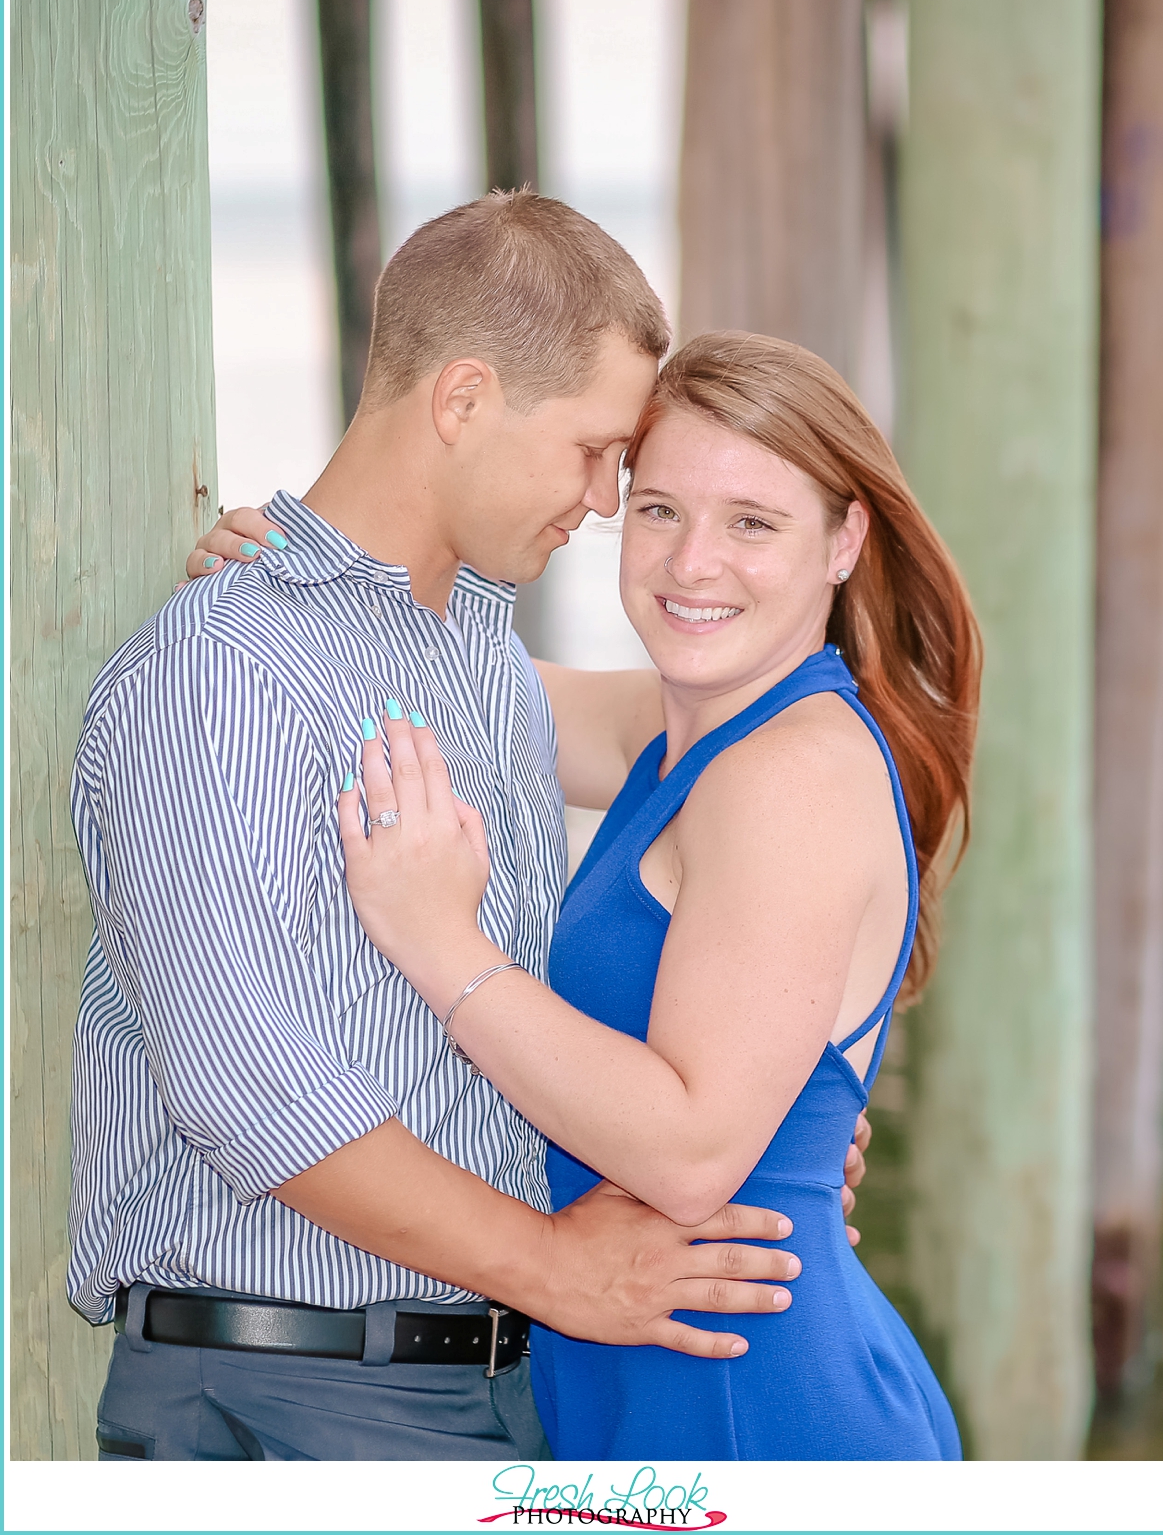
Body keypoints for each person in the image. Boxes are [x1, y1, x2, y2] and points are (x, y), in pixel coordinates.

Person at [70, 194, 866, 1464]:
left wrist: (787, 1128)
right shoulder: (220, 674)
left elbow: (749, 772)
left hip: (500, 1386)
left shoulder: (481, 664)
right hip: (285, 1394)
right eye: (598, 451)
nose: (612, 500)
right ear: (463, 401)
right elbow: (246, 1089)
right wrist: (557, 1264)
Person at [308, 329, 981, 1460]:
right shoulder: (685, 729)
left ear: (844, 540)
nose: (690, 564)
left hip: (741, 1397)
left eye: (752, 524)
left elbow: (685, 1154)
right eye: (659, 509)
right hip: (654, 1363)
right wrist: (288, 576)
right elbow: (433, 693)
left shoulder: (787, 776)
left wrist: (440, 943)